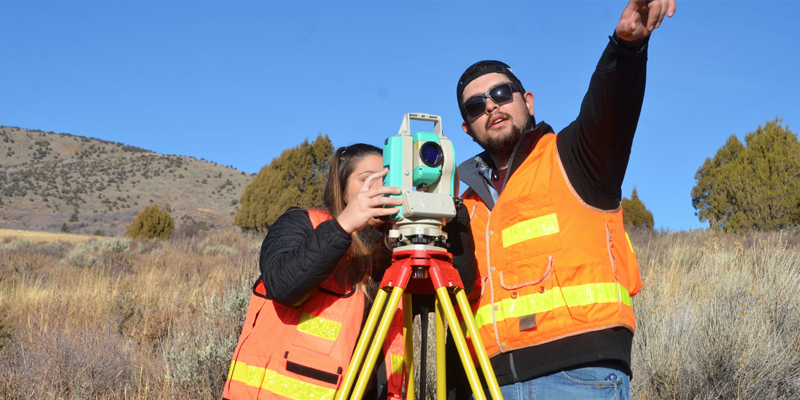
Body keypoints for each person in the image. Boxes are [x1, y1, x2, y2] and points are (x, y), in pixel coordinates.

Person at [451, 1, 677, 399]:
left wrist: (625, 48)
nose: (490, 105)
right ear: (468, 128)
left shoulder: (575, 157)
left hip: (576, 376)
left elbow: (610, 106)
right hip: (487, 382)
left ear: (529, 101)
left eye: (501, 93)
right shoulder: (462, 206)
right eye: (476, 105)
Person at [222, 144, 407, 400]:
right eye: (368, 180)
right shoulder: (302, 222)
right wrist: (343, 228)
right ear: (341, 189)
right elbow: (282, 286)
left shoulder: (394, 249)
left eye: (387, 180)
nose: (379, 188)